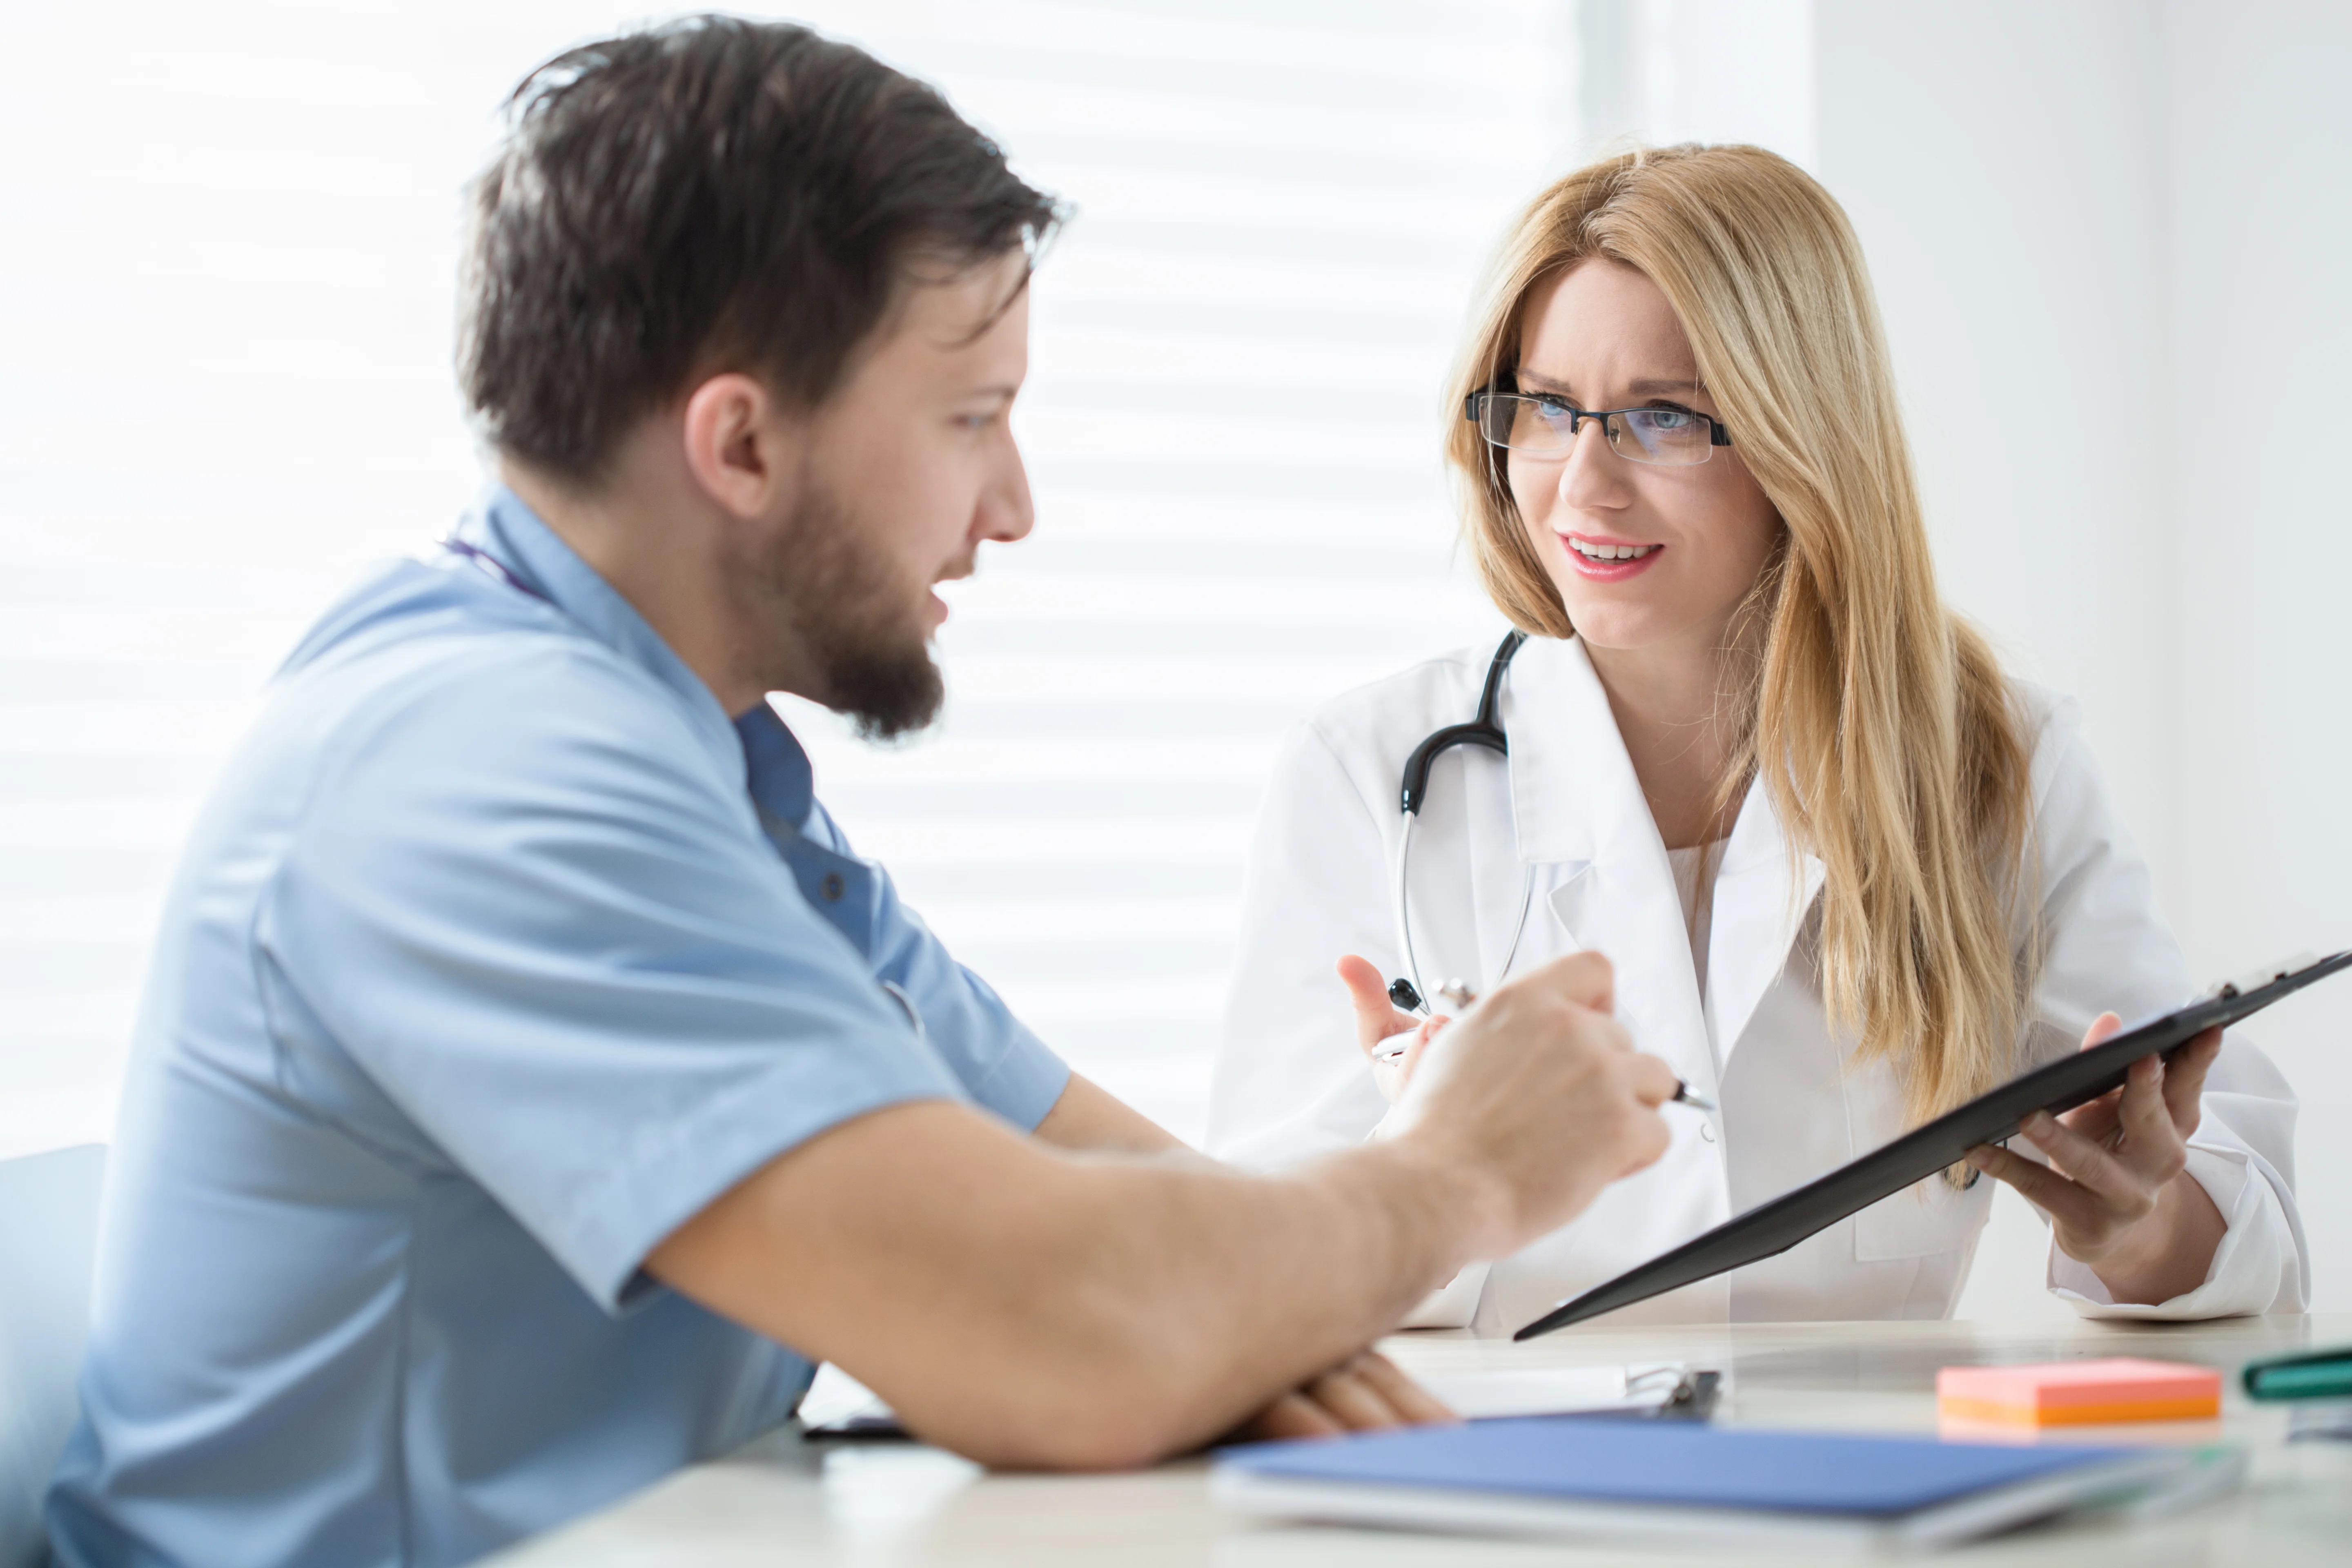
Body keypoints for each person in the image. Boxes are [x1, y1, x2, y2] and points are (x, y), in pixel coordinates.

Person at [44, 22, 1684, 1568]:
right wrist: (1453, 1171)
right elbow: (1066, 1332)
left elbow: (1124, 1200)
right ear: (743, 447)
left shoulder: (699, 764)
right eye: (973, 419)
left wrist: (1235, 1299)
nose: (1014, 506)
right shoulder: (479, 777)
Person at [1208, 144, 2306, 1336]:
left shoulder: (1994, 762)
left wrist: (2137, 1224)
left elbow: (2249, 1232)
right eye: (1547, 409)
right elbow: (1250, 1287)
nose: (1584, 485)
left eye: (1666, 417)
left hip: (1866, 1456)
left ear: (1804, 438)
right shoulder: (1366, 772)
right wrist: (1429, 1170)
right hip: (1510, 1453)